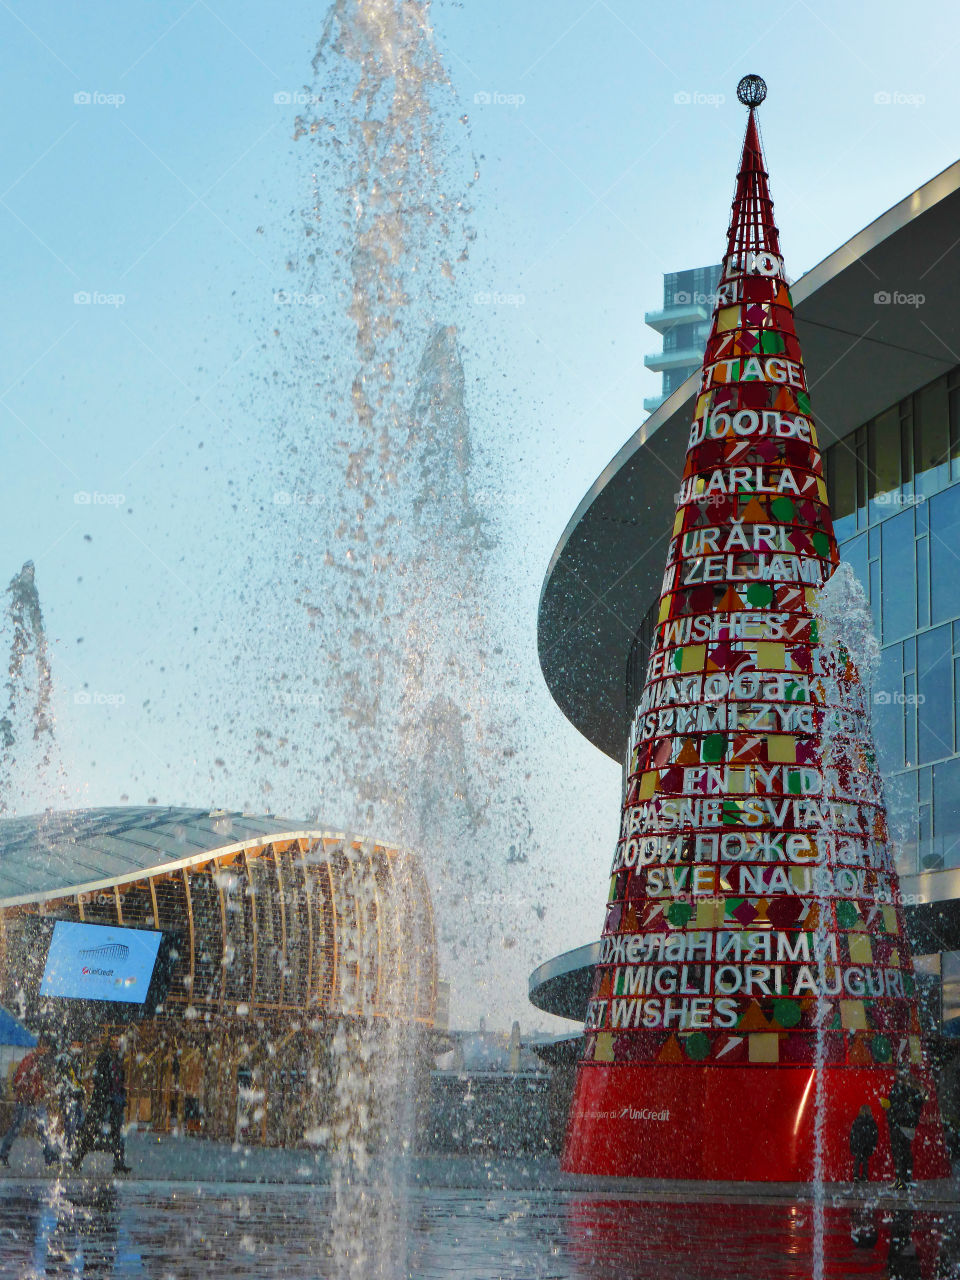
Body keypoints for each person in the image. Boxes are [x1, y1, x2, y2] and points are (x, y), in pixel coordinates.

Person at [71, 1042, 131, 1175]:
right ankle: (79, 1157)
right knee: (92, 1131)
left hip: (113, 1102)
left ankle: (118, 1162)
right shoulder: (106, 1059)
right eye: (115, 1042)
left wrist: (119, 1095)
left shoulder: (116, 1061)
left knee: (117, 1134)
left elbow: (117, 1081)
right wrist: (107, 1096)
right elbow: (102, 1081)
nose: (117, 1045)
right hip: (104, 1102)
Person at [0, 1040, 59, 1167]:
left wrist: (42, 1092)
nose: (46, 1051)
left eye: (47, 1048)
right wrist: (29, 1092)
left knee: (42, 1129)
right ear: (39, 1047)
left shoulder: (40, 1062)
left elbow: (39, 1083)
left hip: (34, 1101)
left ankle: (49, 1157)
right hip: (26, 1102)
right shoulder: (30, 1061)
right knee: (17, 1129)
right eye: (44, 1048)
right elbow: (19, 1080)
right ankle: (3, 1154)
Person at [882, 1067, 928, 1191]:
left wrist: (890, 1110)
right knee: (905, 1151)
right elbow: (920, 1101)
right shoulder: (914, 1088)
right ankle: (905, 1177)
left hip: (900, 1124)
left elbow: (894, 1103)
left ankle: (900, 1179)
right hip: (908, 1125)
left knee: (899, 1152)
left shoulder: (900, 1088)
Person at [53, 1048, 84, 1157]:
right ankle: (67, 1149)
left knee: (76, 1123)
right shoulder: (66, 1061)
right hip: (69, 1098)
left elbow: (77, 1080)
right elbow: (64, 1081)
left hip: (75, 1098)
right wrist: (71, 1092)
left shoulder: (78, 1061)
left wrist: (80, 1093)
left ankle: (68, 1148)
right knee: (70, 1125)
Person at [850, 1102, 879, 1182]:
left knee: (858, 1159)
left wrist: (853, 1144)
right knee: (865, 1160)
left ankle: (856, 1175)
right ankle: (864, 1175)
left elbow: (853, 1133)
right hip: (867, 1143)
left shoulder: (857, 1121)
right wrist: (873, 1143)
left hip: (859, 1143)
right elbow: (875, 1133)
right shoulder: (871, 1121)